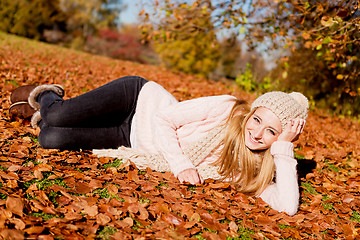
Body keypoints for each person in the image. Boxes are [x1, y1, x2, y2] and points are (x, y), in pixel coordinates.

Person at [9, 75, 308, 216]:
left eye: (271, 132)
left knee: (50, 138)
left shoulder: (249, 169)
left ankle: (40, 115)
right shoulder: (228, 108)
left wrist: (283, 149)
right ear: (251, 111)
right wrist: (183, 165)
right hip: (139, 101)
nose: (257, 133)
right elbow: (164, 118)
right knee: (58, 114)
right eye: (257, 120)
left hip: (129, 139)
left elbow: (288, 206)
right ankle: (48, 94)